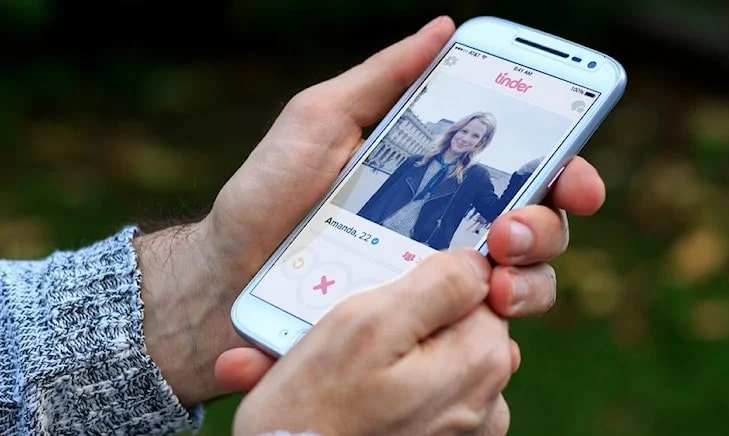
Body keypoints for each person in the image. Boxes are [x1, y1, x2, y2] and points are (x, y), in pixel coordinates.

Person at [0, 16, 606, 435]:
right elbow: (372, 198)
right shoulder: (414, 155)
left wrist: (525, 176)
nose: (470, 137)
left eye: (480, 136)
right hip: (365, 234)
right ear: (456, 128)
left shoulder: (472, 180)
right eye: (468, 127)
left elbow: (498, 200)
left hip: (417, 249)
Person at [358, 112, 530, 250]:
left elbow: (494, 213)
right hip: (376, 231)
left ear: (480, 143)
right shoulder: (415, 161)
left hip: (416, 246)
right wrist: (356, 224)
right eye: (464, 131)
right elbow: (378, 198)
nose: (465, 138)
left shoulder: (476, 176)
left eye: (475, 136)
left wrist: (520, 176)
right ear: (455, 131)